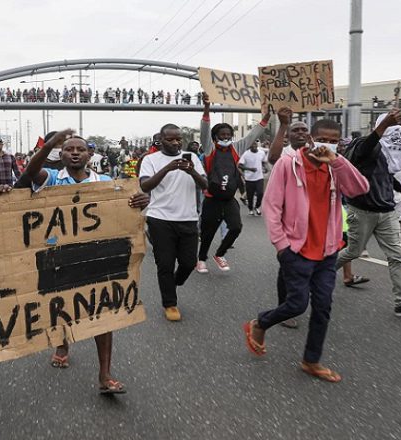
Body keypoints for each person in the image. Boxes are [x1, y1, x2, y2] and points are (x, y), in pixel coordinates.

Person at [20, 129, 148, 394]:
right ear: (61, 154)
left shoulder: (105, 181)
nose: (75, 153)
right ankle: (63, 342)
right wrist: (47, 147)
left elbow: (124, 206)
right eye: (68, 149)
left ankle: (105, 374)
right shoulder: (52, 178)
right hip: (59, 257)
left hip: (96, 256)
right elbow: (30, 174)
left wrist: (140, 200)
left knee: (104, 311)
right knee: (62, 306)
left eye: (80, 149)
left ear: (90, 154)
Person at [243, 123, 370, 383]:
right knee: (297, 305)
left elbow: (360, 189)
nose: (327, 143)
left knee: (323, 307)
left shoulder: (336, 166)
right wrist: (282, 247)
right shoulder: (289, 164)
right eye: (322, 138)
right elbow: (271, 206)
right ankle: (260, 323)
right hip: (297, 251)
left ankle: (311, 360)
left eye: (334, 140)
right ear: (311, 138)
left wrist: (336, 161)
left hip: (327, 252)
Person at [335, 110, 401, 316]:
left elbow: (387, 176)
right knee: (353, 251)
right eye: (392, 130)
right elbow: (362, 152)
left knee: (396, 256)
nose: (398, 137)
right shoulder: (363, 144)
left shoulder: (391, 153)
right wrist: (384, 125)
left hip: (386, 211)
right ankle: (318, 274)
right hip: (361, 210)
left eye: (400, 133)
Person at [196, 92, 270, 273]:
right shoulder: (209, 149)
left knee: (236, 227)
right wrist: (207, 108)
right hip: (212, 198)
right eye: (222, 134)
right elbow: (205, 130)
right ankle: (201, 259)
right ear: (215, 137)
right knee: (208, 232)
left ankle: (220, 254)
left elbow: (254, 134)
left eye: (228, 134)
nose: (226, 137)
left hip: (229, 198)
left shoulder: (236, 148)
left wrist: (266, 116)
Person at [140, 123, 207, 321]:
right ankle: (170, 303)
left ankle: (175, 281)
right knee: (165, 264)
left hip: (188, 218)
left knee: (189, 262)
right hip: (160, 218)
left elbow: (205, 185)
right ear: (161, 140)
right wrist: (168, 168)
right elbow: (145, 185)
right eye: (170, 139)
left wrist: (192, 172)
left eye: (178, 139)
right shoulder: (150, 159)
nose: (176, 143)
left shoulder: (192, 157)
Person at [238, 141, 268, 216]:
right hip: (249, 178)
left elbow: (263, 162)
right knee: (250, 195)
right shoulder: (246, 154)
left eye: (255, 144)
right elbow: (240, 165)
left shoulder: (261, 153)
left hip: (259, 177)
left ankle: (257, 206)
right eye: (252, 144)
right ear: (249, 146)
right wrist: (249, 169)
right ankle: (251, 209)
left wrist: (265, 167)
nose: (253, 145)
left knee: (260, 193)